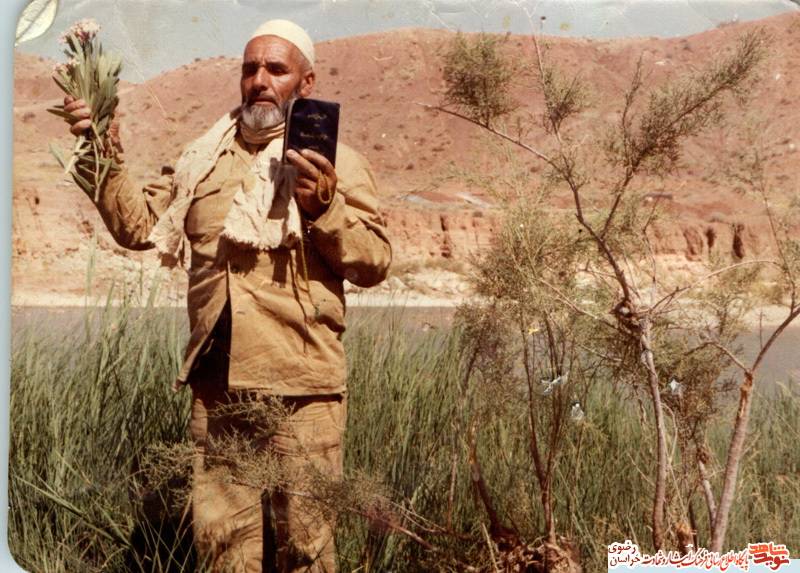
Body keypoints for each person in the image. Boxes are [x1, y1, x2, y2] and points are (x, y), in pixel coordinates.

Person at [63, 19, 392, 572]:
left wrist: (323, 208)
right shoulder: (201, 158)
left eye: (276, 69)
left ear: (306, 82)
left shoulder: (338, 162)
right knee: (221, 550)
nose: (259, 80)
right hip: (217, 389)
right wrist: (98, 148)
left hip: (302, 391)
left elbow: (375, 262)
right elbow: (139, 226)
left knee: (306, 551)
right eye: (249, 69)